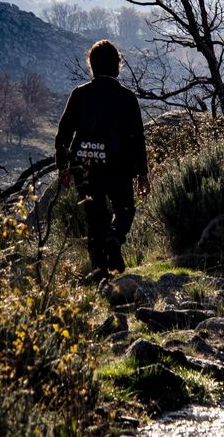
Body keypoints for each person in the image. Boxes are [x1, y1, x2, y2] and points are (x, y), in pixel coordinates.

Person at [54, 40, 149, 280]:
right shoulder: (127, 98)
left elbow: (63, 135)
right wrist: (143, 174)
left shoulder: (79, 94)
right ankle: (115, 238)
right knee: (125, 210)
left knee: (95, 220)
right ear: (118, 66)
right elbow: (137, 138)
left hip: (84, 168)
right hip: (118, 167)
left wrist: (63, 167)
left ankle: (100, 275)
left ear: (92, 66)